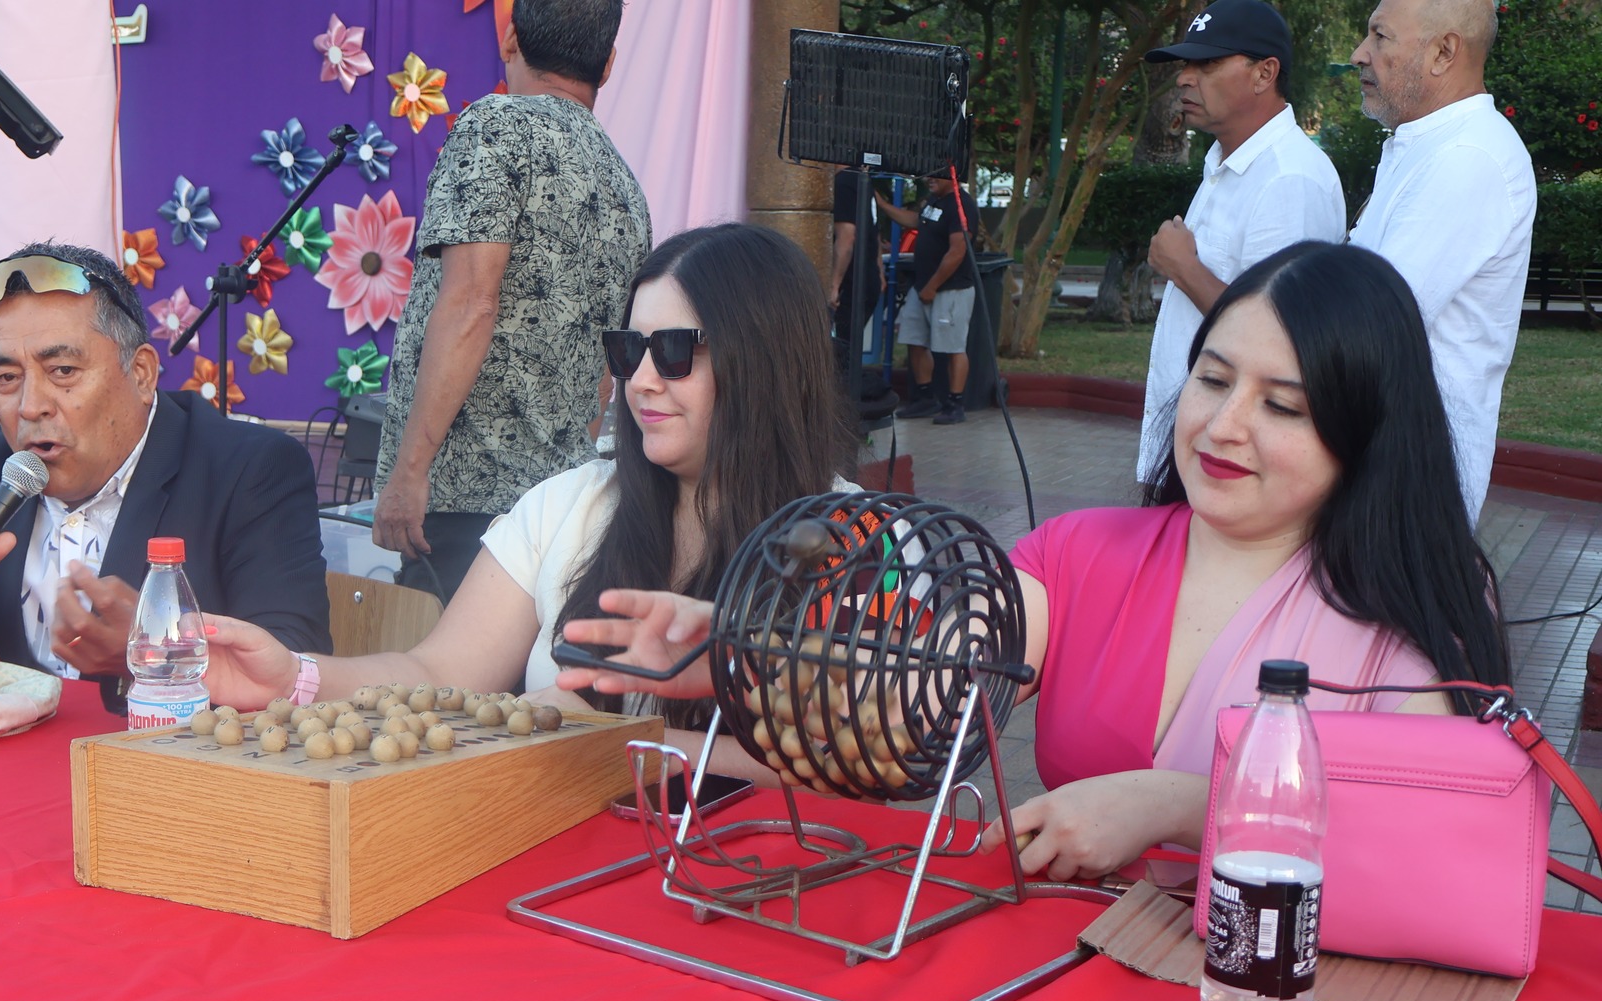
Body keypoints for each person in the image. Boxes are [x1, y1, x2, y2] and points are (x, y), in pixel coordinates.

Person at [557, 243, 1512, 881]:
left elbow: (1438, 843)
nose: (1223, 427)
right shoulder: (1081, 556)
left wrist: (1184, 807)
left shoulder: (1410, 606)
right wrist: (751, 651)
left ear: (1366, 430)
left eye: (1283, 406)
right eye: (1213, 380)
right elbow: (900, 719)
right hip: (1079, 981)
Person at [199, 223, 859, 783]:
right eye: (629, 350)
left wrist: (609, 740)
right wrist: (294, 676)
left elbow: (860, 763)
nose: (643, 381)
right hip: (562, 871)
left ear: (764, 361)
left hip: (764, 885)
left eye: (677, 351)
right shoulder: (567, 506)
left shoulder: (859, 540)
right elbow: (438, 672)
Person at [0, 242, 331, 714]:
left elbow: (294, 666)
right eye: (6, 378)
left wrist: (153, 654)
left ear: (140, 374)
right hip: (18, 768)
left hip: (170, 774)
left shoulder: (249, 469)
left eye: (63, 370)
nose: (31, 406)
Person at [371, 0, 650, 601]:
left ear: (509, 40)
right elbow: (609, 373)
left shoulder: (494, 128)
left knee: (441, 694)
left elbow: (471, 304)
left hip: (467, 505)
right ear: (607, 65)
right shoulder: (625, 184)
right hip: (566, 506)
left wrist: (409, 473)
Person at [1135, 0, 1345, 481]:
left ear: (1264, 73)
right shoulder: (1223, 162)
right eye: (1186, 65)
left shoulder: (1290, 179)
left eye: (1207, 63)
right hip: (1196, 437)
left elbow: (1282, 336)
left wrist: (1183, 268)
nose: (1186, 78)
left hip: (1235, 455)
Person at [1348, 0, 1534, 522]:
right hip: (1380, 467)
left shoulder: (1468, 157)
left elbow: (1368, 324)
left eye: (1379, 37)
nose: (1359, 54)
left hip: (1405, 489)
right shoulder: (1432, 147)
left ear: (1444, 51)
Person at [877, 168, 982, 424]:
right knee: (914, 340)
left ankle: (955, 403)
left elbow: (957, 251)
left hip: (950, 289)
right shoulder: (935, 202)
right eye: (928, 175)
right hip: (922, 285)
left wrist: (933, 286)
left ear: (954, 177)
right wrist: (882, 205)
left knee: (953, 347)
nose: (929, 179)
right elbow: (915, 220)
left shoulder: (961, 205)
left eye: (936, 175)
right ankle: (925, 398)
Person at [828, 168, 884, 404]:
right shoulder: (862, 180)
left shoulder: (843, 182)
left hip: (852, 279)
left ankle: (847, 410)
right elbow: (875, 232)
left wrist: (834, 284)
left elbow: (847, 237)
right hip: (868, 274)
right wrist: (879, 271)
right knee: (850, 346)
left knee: (843, 349)